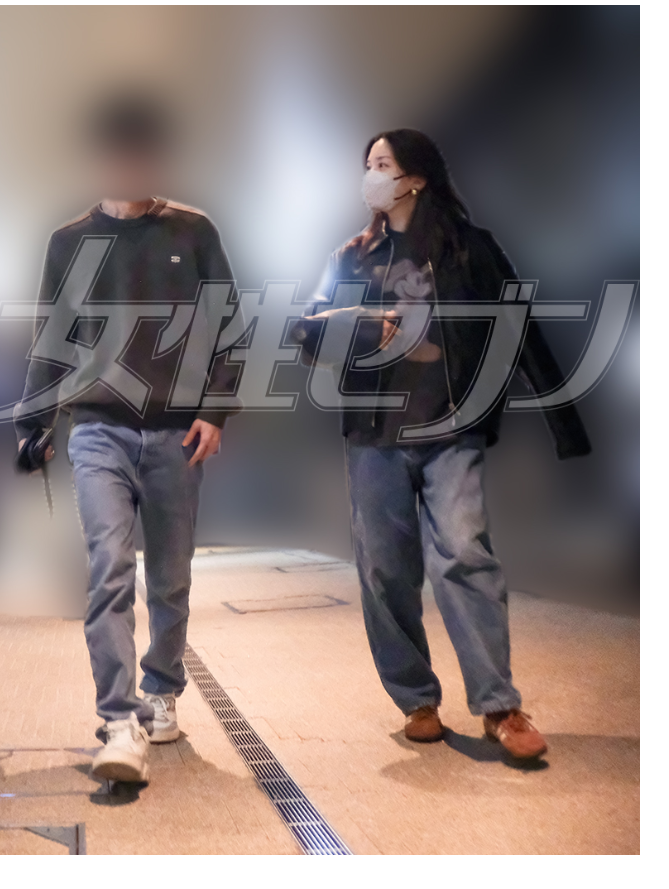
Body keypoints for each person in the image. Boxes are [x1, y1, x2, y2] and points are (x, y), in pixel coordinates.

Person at [290, 129, 591, 759]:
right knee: (384, 568)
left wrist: (565, 424)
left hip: (452, 428)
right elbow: (306, 329)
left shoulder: (469, 248)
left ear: (416, 178)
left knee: (464, 553)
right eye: (368, 164)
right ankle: (416, 700)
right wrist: (357, 325)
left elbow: (520, 330)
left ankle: (499, 705)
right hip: (375, 433)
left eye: (382, 164)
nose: (371, 175)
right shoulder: (351, 256)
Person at [14, 93, 240, 783]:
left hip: (176, 433)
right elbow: (51, 338)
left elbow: (227, 326)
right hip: (99, 430)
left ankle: (162, 690)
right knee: (109, 565)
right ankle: (118, 718)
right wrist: (33, 423)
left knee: (170, 576)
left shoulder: (193, 232)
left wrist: (216, 410)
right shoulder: (68, 243)